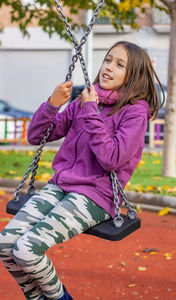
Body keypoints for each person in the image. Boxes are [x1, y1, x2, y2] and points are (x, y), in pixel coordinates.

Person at [0, 41, 165, 300]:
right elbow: (36, 136)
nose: (108, 68)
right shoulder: (85, 100)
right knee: (6, 245)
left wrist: (90, 110)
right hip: (61, 186)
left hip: (95, 197)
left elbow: (112, 158)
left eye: (120, 65)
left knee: (26, 250)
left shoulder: (135, 111)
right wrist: (52, 105)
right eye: (108, 60)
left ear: (133, 76)